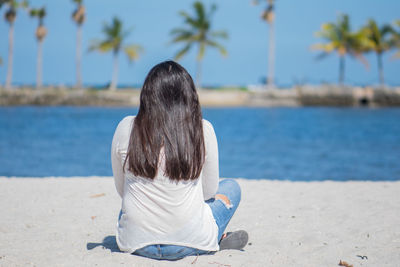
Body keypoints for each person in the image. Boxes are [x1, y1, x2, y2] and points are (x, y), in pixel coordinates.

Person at [111, 60, 248, 260]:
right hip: (189, 240)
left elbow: (121, 189)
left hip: (135, 243)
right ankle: (214, 238)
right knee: (231, 188)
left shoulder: (125, 127)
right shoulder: (203, 129)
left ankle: (209, 237)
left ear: (147, 94)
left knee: (131, 204)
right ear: (189, 95)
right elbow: (209, 192)